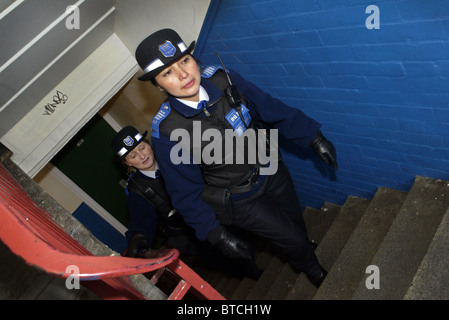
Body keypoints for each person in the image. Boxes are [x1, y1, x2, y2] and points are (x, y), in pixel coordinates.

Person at [134, 29, 338, 287]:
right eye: (168, 73)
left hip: (271, 169)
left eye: (184, 61)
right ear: (157, 85)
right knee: (290, 237)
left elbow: (268, 106)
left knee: (295, 220)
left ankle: (302, 247)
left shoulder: (223, 79)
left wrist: (312, 137)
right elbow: (185, 194)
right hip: (240, 198)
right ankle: (310, 267)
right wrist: (216, 234)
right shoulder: (167, 131)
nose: (183, 74)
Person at [111, 125, 262, 279]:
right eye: (133, 155)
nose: (142, 156)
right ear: (127, 163)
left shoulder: (171, 155)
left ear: (148, 144)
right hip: (190, 237)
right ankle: (247, 276)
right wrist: (138, 240)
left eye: (142, 148)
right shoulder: (137, 191)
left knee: (243, 243)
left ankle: (255, 269)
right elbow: (140, 222)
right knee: (226, 263)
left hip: (212, 213)